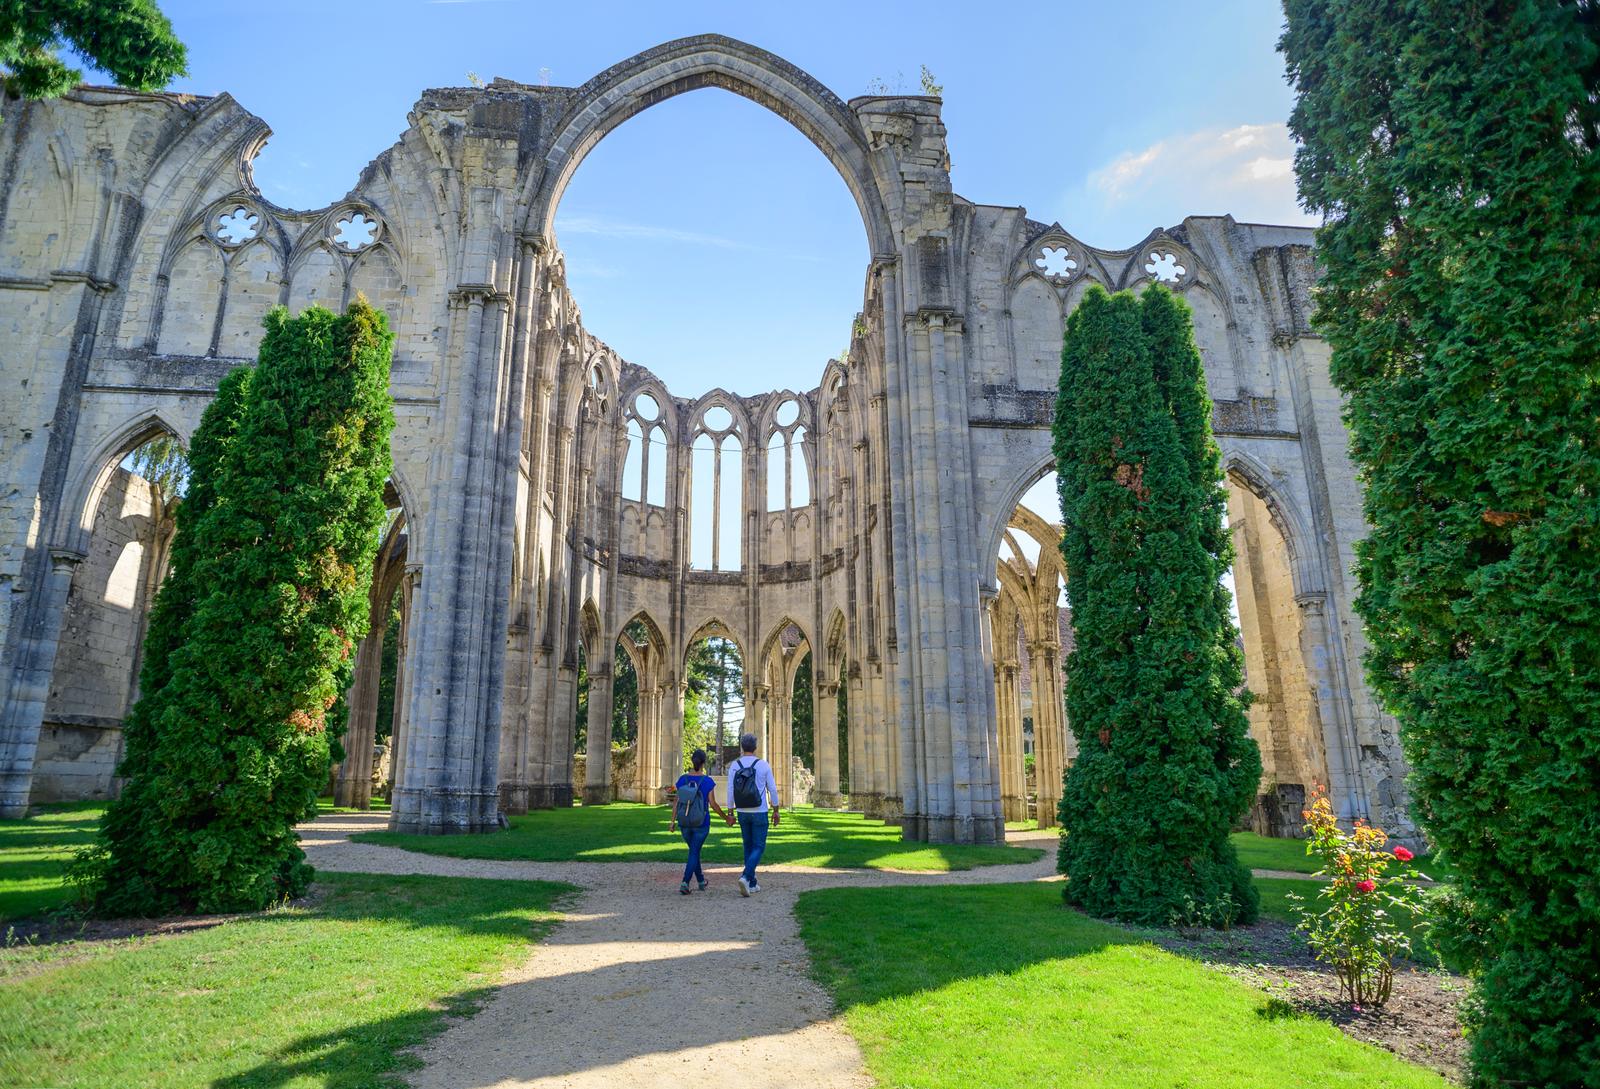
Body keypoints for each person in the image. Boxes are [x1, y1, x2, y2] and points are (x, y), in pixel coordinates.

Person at [668, 748, 732, 895]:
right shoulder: (707, 781)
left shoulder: (682, 780)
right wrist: (726, 818)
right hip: (701, 823)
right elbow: (713, 805)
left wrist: (672, 822)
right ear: (704, 763)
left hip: (684, 822)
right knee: (694, 851)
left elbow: (676, 802)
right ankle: (685, 882)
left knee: (694, 851)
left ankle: (701, 881)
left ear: (692, 761)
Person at [725, 732, 780, 896]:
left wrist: (730, 812)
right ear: (755, 747)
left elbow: (730, 790)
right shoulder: (763, 765)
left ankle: (752, 883)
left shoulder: (735, 765)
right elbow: (773, 789)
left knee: (748, 846)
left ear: (742, 747)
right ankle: (746, 876)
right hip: (760, 810)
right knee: (759, 846)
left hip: (742, 810)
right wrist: (776, 810)